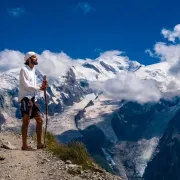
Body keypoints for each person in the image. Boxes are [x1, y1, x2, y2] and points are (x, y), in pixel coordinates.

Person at [18, 52, 48, 150]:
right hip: (26, 98)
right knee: (26, 121)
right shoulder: (23, 70)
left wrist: (42, 87)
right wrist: (40, 88)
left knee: (39, 120)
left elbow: (32, 85)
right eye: (34, 57)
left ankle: (39, 144)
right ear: (29, 59)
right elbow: (26, 85)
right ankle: (24, 145)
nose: (36, 59)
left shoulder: (33, 70)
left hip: (33, 99)